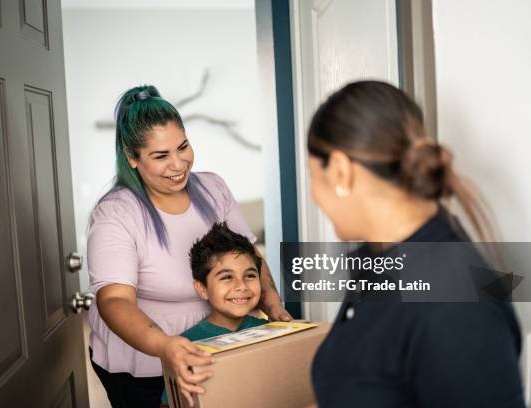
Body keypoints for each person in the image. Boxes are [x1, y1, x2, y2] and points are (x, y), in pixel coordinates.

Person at [306, 80, 524, 407]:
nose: (313, 195)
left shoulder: (458, 307)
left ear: (339, 171)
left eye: (312, 175)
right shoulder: (380, 260)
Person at [87, 85, 291, 408]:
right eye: (161, 156)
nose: (179, 164)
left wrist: (273, 304)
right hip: (145, 364)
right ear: (132, 158)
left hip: (215, 347)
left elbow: (251, 256)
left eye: (183, 147)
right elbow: (113, 300)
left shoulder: (213, 188)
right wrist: (165, 346)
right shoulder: (116, 213)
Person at [161, 222, 269, 405]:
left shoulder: (271, 332)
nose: (241, 286)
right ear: (202, 288)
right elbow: (169, 402)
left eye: (250, 276)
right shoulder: (186, 346)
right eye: (227, 277)